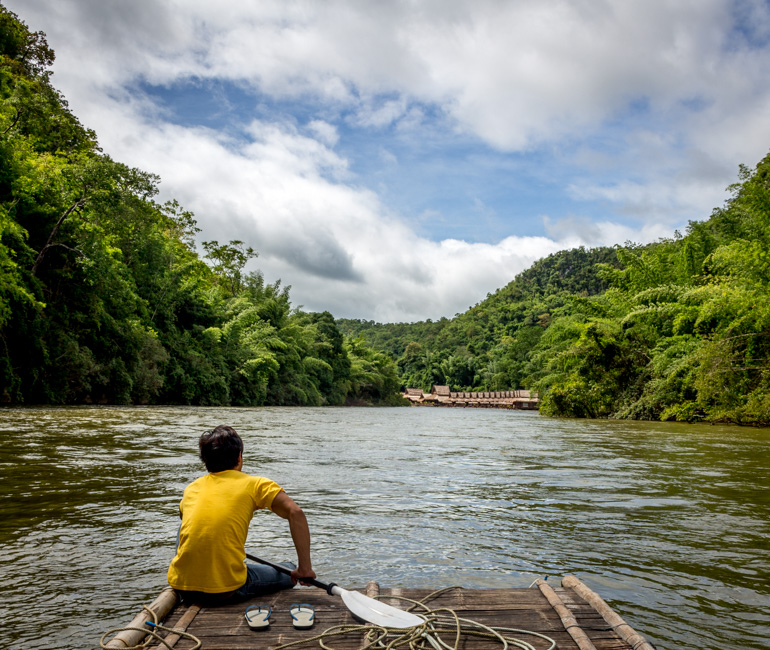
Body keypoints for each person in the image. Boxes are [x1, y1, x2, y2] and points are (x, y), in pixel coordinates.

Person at [167, 425, 316, 602]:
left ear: (205, 460)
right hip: (226, 590)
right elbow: (295, 512)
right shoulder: (255, 484)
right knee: (289, 568)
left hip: (182, 586)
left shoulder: (192, 488)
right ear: (239, 457)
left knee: (183, 517)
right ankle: (291, 570)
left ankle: (192, 571)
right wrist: (304, 569)